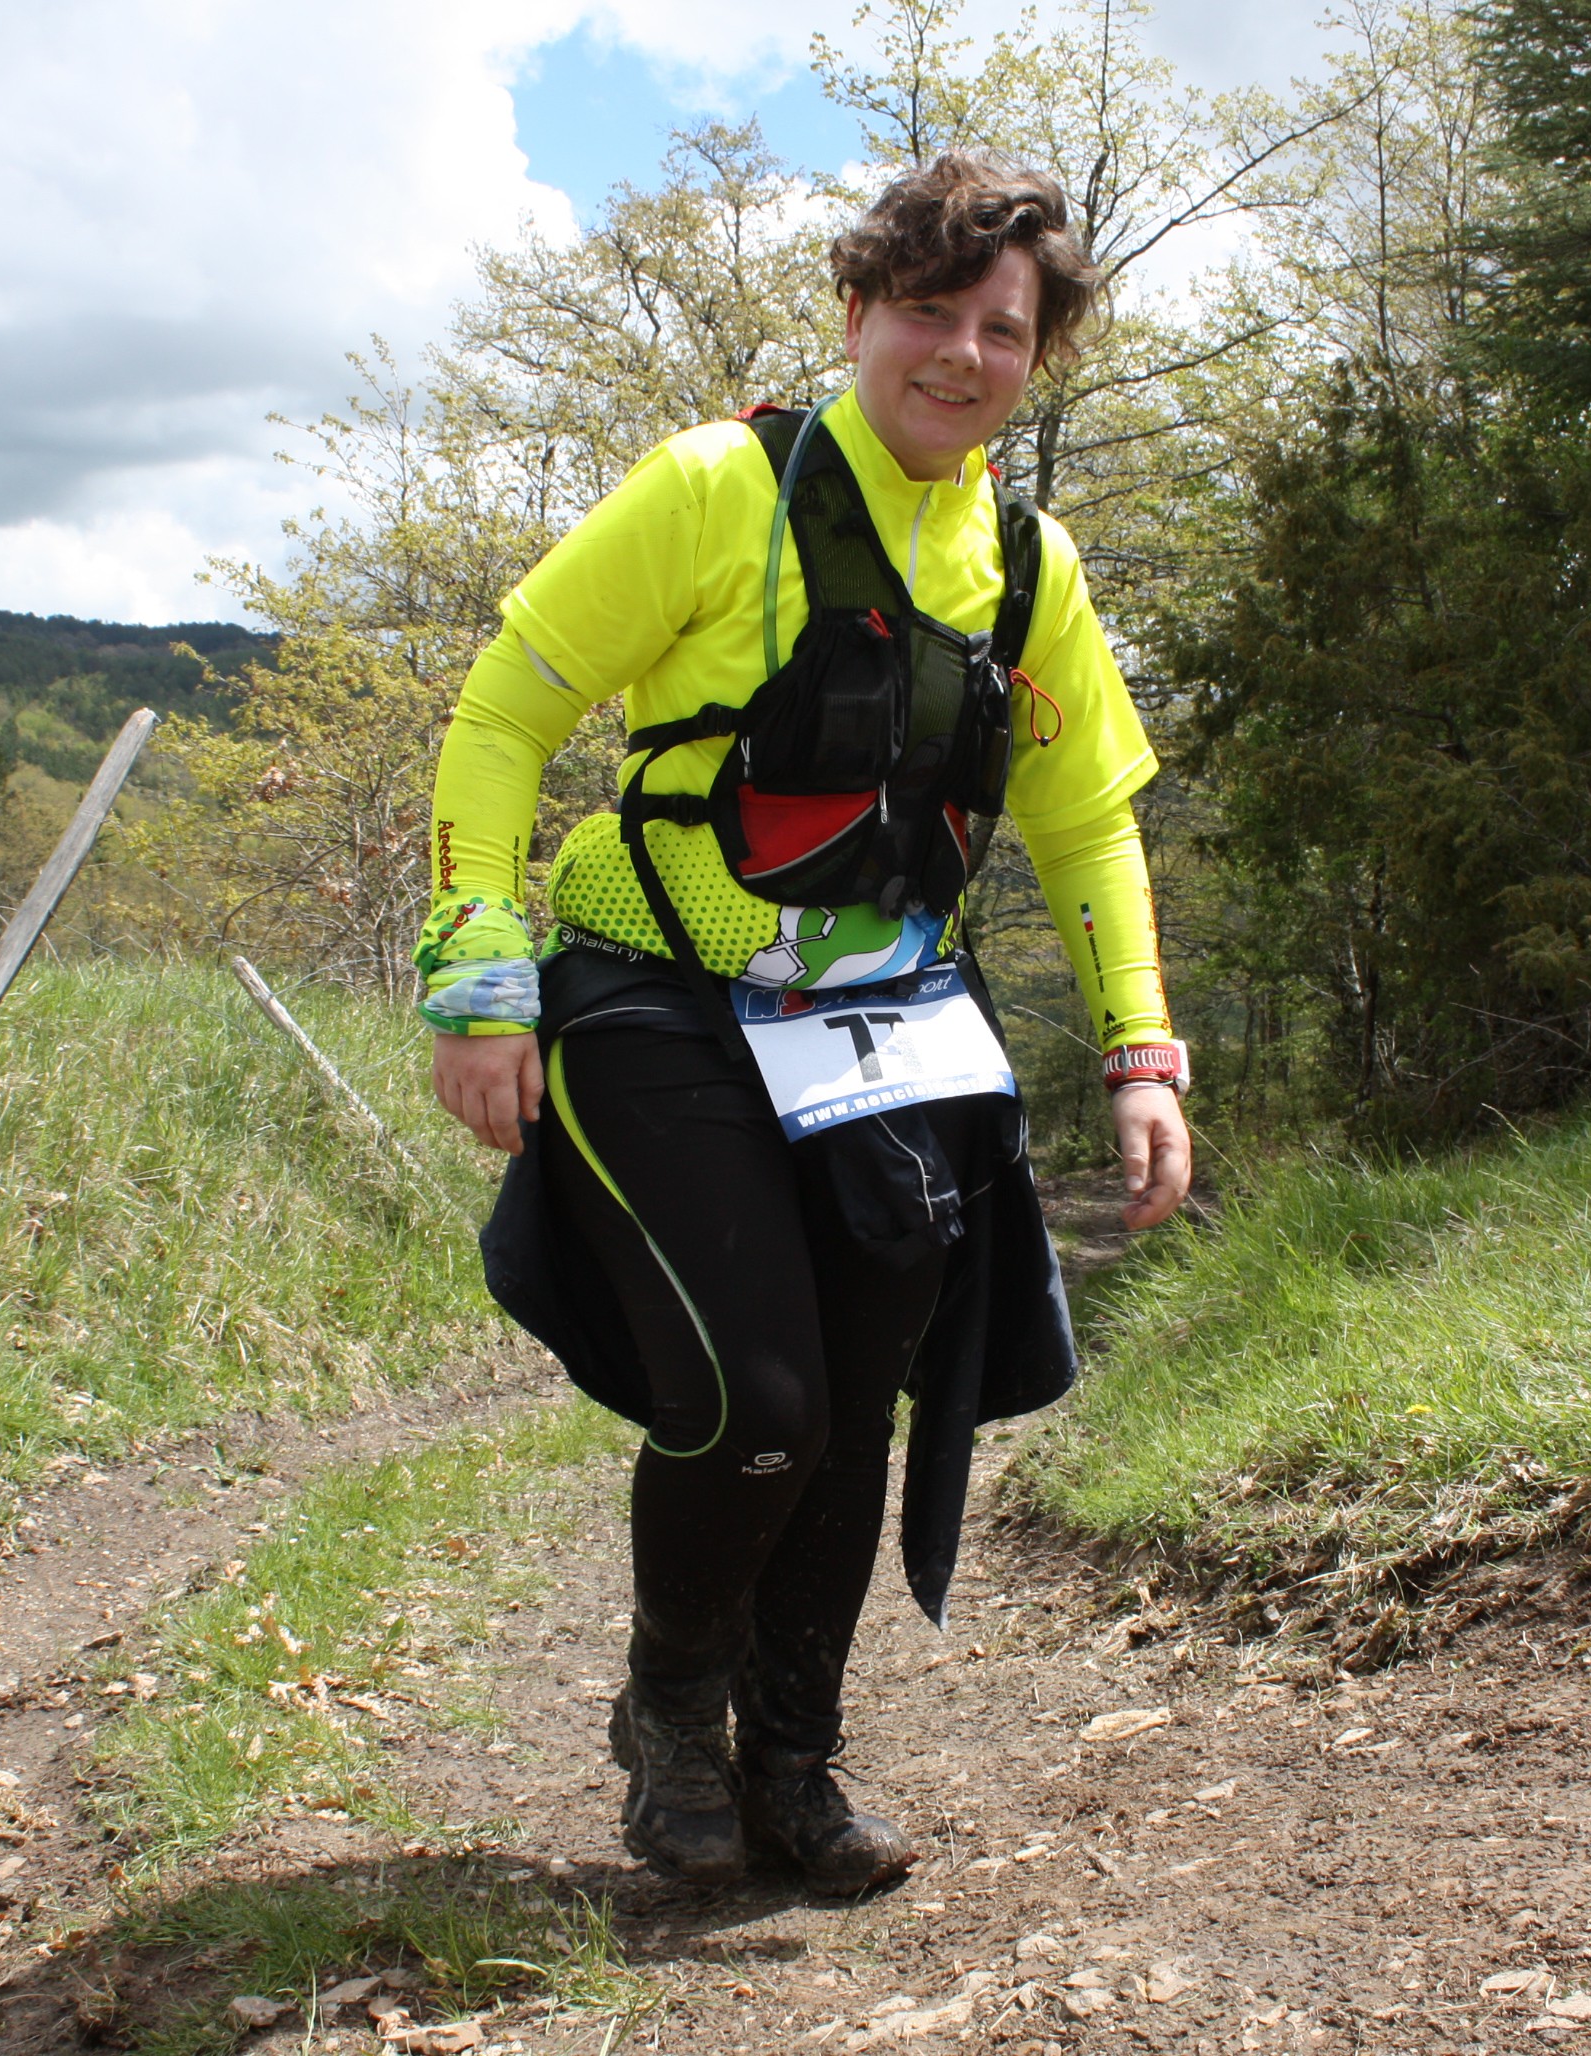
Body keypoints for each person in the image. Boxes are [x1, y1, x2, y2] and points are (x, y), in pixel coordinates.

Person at [411, 149, 1192, 1894]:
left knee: (861, 1402)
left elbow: (1081, 823)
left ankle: (795, 1759)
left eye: (1003, 329)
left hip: (880, 1025)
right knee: (759, 1399)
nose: (963, 355)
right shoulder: (715, 489)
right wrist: (479, 976)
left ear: (1036, 358)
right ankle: (673, 1703)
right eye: (928, 311)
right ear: (857, 315)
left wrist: (1142, 1049)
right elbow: (498, 714)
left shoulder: (1026, 560)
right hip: (651, 994)